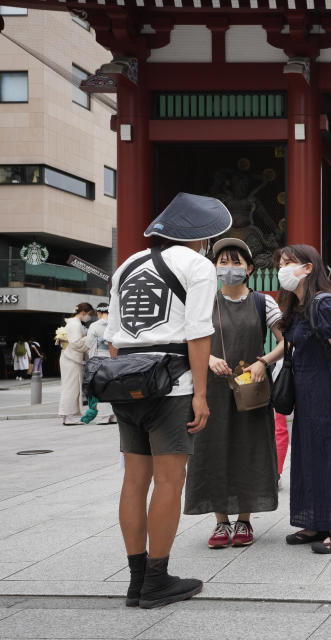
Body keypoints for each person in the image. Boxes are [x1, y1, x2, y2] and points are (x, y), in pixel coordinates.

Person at [105, 192, 227, 609]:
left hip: (126, 380)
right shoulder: (197, 265)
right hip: (171, 384)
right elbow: (198, 333)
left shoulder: (126, 265)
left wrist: (124, 386)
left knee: (134, 480)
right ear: (200, 237)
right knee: (170, 482)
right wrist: (201, 394)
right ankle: (157, 580)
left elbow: (114, 339)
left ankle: (136, 581)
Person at [184, 238, 285, 549]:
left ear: (250, 268)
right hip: (210, 390)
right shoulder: (201, 302)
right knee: (211, 450)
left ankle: (244, 520)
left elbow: (287, 340)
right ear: (214, 268)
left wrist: (264, 362)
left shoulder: (263, 303)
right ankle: (220, 522)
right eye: (223, 263)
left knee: (250, 450)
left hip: (250, 390)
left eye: (236, 262)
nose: (229, 269)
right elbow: (186, 341)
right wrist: (208, 358)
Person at [275, 244, 331, 555]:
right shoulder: (299, 307)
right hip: (309, 396)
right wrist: (262, 360)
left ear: (308, 268)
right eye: (280, 264)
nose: (282, 268)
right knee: (310, 456)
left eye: (288, 263)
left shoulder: (323, 304)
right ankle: (315, 521)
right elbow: (292, 344)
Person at [58, 302, 94, 425]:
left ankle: (70, 414)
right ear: (83, 312)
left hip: (70, 358)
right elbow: (76, 343)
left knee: (71, 387)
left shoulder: (74, 323)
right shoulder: (75, 324)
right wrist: (89, 337)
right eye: (89, 314)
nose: (88, 317)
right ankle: (69, 415)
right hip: (71, 358)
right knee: (71, 387)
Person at [84, 303, 117, 424]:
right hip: (113, 358)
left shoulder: (95, 325)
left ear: (98, 313)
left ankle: (104, 416)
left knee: (100, 387)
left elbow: (88, 343)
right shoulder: (115, 324)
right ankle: (114, 415)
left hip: (99, 358)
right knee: (112, 387)